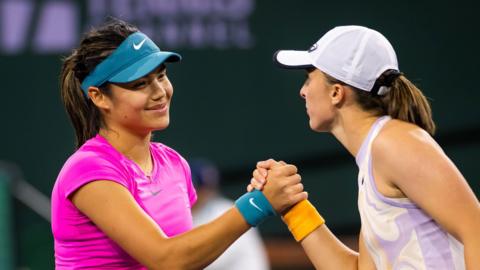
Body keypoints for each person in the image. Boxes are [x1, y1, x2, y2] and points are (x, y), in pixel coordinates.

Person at [51, 18, 307, 269]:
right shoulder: (88, 169)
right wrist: (257, 203)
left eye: (161, 76)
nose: (159, 91)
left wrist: (260, 193)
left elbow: (192, 254)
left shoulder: (173, 163)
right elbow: (167, 259)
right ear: (99, 97)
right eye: (140, 84)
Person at [249, 25, 480, 269]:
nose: (302, 91)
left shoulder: (394, 143)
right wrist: (293, 207)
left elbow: (476, 230)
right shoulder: (376, 154)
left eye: (309, 78)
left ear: (336, 92)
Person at [190, 158, 270, 270]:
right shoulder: (186, 213)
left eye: (205, 188)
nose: (203, 192)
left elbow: (207, 261)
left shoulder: (228, 210)